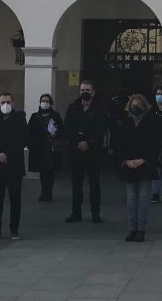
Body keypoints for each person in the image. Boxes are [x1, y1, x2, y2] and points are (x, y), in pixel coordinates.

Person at [0, 92, 28, 240]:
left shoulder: (20, 120)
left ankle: (14, 229)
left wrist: (7, 154)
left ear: (13, 103)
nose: (5, 105)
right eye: (3, 102)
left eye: (8, 102)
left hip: (14, 166)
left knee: (15, 199)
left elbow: (23, 140)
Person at [114, 94, 159, 242]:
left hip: (145, 165)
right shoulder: (125, 123)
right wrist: (126, 161)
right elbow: (119, 145)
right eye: (133, 104)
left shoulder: (151, 122)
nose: (136, 107)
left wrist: (143, 159)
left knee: (144, 198)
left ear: (144, 106)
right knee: (131, 198)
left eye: (139, 104)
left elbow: (155, 144)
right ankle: (132, 228)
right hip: (129, 165)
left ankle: (141, 229)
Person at [64, 80, 108, 223]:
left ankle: (95, 213)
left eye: (88, 90)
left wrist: (88, 142)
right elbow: (68, 127)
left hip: (93, 152)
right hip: (76, 151)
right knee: (76, 184)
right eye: (82, 90)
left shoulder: (100, 109)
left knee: (94, 183)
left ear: (93, 92)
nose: (85, 92)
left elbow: (101, 129)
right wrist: (78, 142)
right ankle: (76, 212)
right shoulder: (72, 107)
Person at [28, 94, 63, 202]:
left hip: (50, 148)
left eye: (47, 101)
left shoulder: (55, 116)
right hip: (38, 148)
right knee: (43, 171)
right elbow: (29, 131)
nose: (45, 103)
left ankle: (48, 192)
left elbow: (62, 130)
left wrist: (56, 134)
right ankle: (44, 192)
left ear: (51, 103)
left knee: (49, 171)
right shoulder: (35, 116)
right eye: (43, 101)